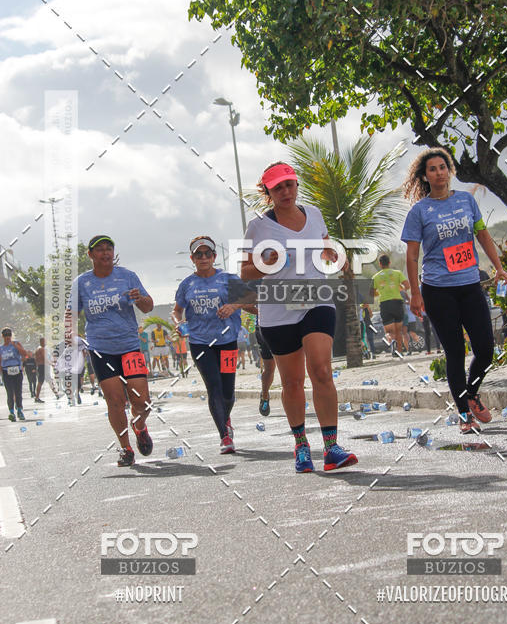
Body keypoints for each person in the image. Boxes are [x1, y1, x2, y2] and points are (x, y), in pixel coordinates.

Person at [241, 161, 357, 473]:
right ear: (268, 192)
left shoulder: (315, 214)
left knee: (320, 370)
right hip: (277, 309)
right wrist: (267, 262)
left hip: (316, 299)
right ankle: (301, 444)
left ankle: (331, 447)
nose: (285, 191)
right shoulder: (258, 228)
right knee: (292, 381)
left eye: (289, 184)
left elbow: (324, 245)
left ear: (296, 184)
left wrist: (332, 254)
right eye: (277, 187)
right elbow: (246, 273)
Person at [401, 148, 507, 433]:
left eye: (442, 167)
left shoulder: (466, 200)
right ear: (425, 176)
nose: (438, 172)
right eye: (432, 169)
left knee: (486, 349)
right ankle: (464, 413)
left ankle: (472, 394)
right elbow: (412, 255)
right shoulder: (419, 211)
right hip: (438, 290)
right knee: (454, 353)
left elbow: (483, 235)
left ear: (449, 171)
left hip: (470, 285)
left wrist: (498, 267)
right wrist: (415, 292)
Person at [66, 234, 154, 466]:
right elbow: (71, 314)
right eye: (100, 249)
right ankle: (126, 449)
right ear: (91, 255)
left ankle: (140, 426)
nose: (105, 253)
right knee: (115, 401)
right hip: (100, 349)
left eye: (109, 248)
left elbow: (148, 306)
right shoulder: (81, 283)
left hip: (130, 346)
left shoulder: (127, 276)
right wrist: (69, 333)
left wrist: (140, 298)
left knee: (142, 402)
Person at [172, 235, 247, 454]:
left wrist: (233, 306)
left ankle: (226, 417)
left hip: (227, 341)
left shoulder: (228, 278)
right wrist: (179, 323)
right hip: (200, 342)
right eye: (198, 254)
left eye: (207, 254)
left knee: (228, 392)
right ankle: (224, 435)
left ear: (214, 256)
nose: (203, 257)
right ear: (192, 258)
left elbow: (250, 298)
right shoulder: (187, 284)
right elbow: (177, 310)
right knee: (213, 385)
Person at [370, 254, 411, 356]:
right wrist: (400, 288)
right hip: (397, 303)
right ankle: (400, 351)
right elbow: (407, 286)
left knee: (389, 331)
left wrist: (380, 292)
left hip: (385, 304)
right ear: (389, 263)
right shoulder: (397, 273)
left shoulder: (375, 277)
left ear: (380, 264)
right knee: (398, 330)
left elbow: (371, 293)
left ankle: (391, 341)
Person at [0, 328, 29, 421]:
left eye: (9, 335)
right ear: (2, 336)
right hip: (6, 372)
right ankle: (11, 412)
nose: (7, 337)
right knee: (10, 393)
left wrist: (16, 346)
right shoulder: (1, 348)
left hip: (17, 370)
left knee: (18, 392)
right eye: (5, 335)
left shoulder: (16, 344)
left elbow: (25, 354)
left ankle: (20, 410)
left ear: (11, 335)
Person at [34, 337, 58, 402]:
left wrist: (36, 367)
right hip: (44, 367)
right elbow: (45, 359)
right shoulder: (42, 349)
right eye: (44, 341)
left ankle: (56, 394)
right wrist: (51, 364)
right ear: (42, 342)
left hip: (40, 367)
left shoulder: (37, 350)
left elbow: (35, 359)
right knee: (43, 381)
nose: (45, 343)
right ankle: (37, 397)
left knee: (44, 381)